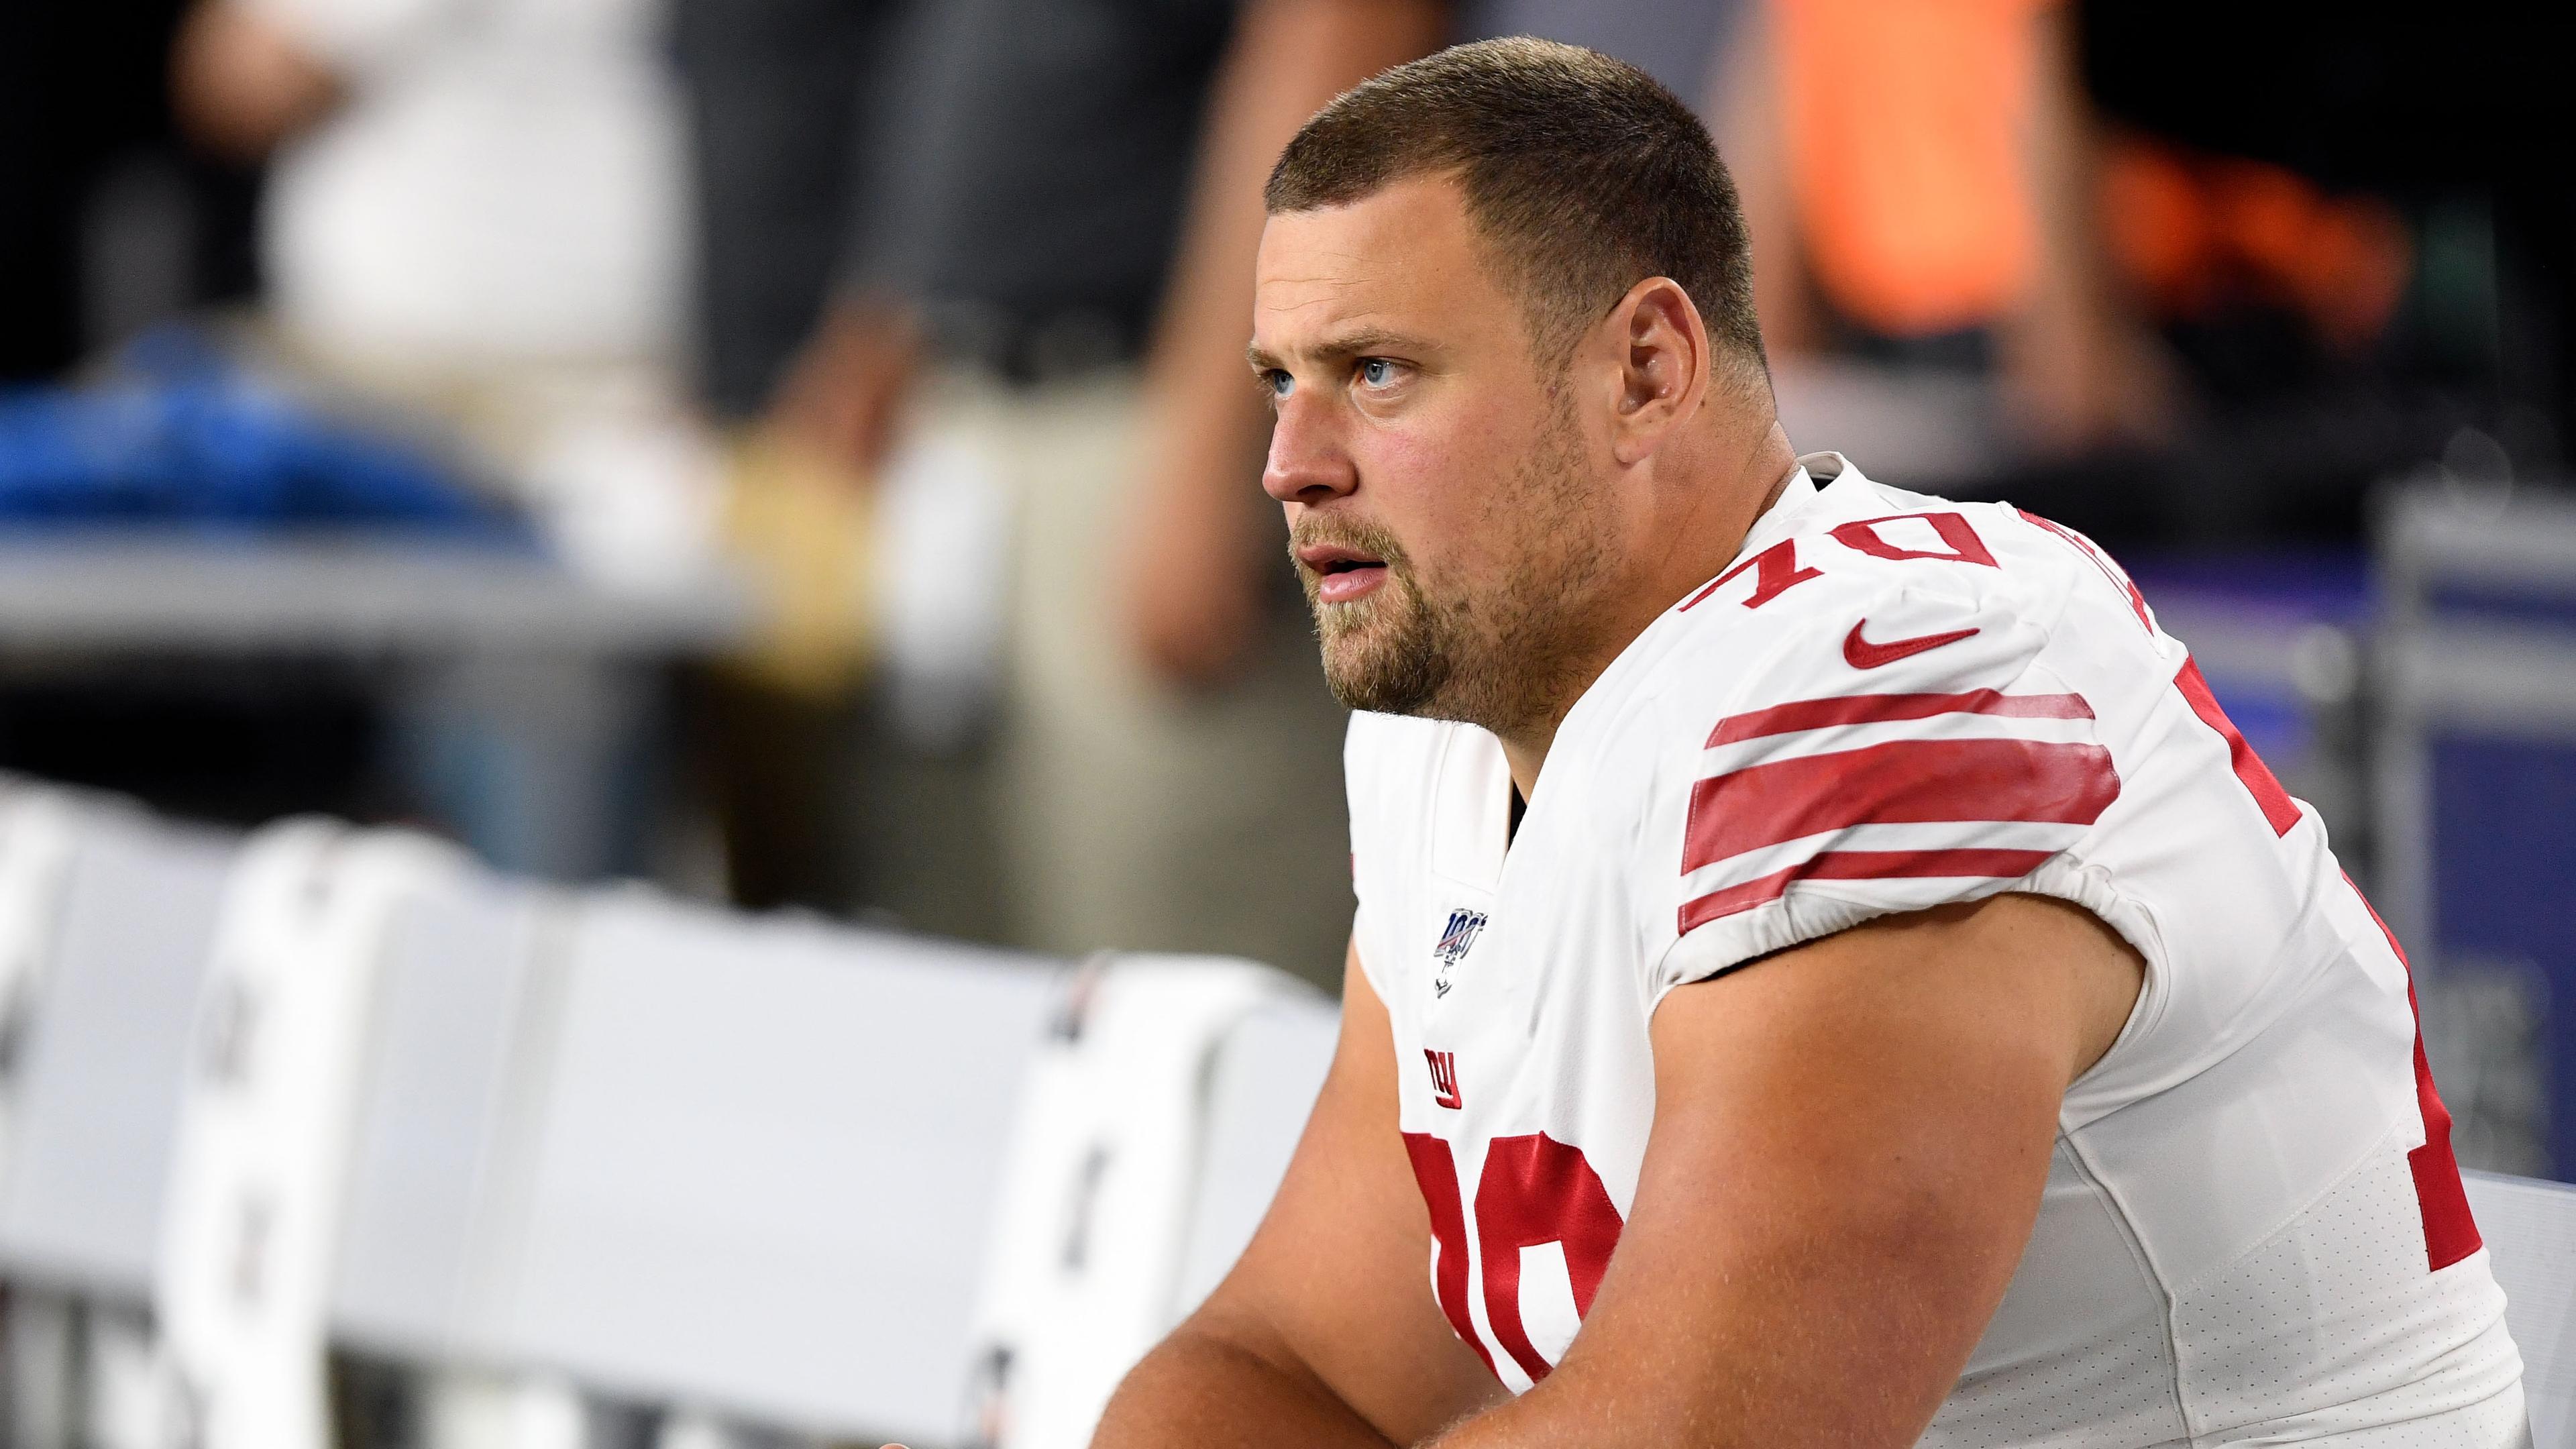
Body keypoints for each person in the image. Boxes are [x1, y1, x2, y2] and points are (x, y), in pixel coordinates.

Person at [1090, 40, 2527, 1446]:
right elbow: (1295, 1358)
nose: (1289, 463)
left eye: (1381, 372)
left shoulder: (1896, 683)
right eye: (1283, 379)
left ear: (1647, 371)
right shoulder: (1456, 718)